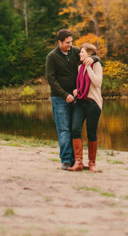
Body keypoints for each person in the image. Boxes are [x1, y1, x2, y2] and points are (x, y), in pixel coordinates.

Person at [45, 29, 95, 170]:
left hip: (77, 99)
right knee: (64, 129)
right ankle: (66, 160)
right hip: (59, 99)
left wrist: (95, 59)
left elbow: (92, 54)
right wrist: (64, 94)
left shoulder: (75, 52)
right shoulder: (52, 56)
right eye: (67, 42)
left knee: (75, 129)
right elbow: (51, 79)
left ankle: (77, 161)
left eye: (71, 42)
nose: (70, 44)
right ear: (59, 42)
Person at [68, 43, 103, 172]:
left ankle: (92, 164)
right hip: (81, 102)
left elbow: (97, 82)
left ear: (89, 54)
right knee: (75, 129)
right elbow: (82, 84)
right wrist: (77, 90)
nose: (80, 54)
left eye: (82, 52)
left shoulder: (97, 65)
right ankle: (78, 163)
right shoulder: (79, 68)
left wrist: (89, 67)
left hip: (93, 103)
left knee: (91, 133)